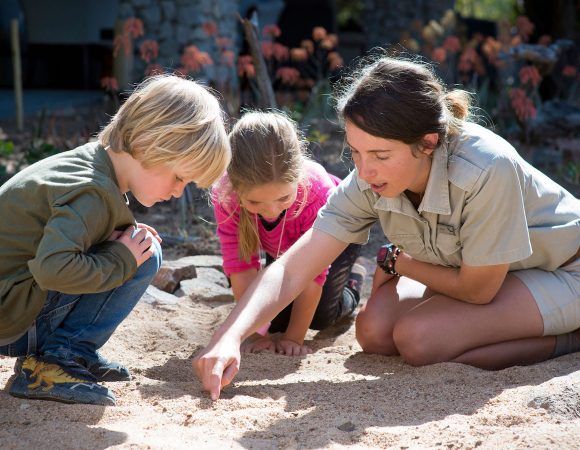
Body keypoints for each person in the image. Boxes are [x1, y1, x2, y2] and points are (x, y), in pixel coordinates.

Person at [194, 55, 580, 400]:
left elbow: (478, 291)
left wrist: (403, 266)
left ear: (427, 143)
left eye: (380, 155)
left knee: (419, 339)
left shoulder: (486, 168)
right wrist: (230, 336)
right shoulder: (372, 178)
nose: (364, 171)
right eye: (355, 152)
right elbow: (296, 265)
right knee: (375, 332)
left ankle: (568, 339)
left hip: (560, 271)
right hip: (490, 275)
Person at [0, 74, 230, 405]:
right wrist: (120, 257)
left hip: (13, 301)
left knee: (139, 247)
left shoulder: (92, 164)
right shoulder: (93, 192)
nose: (178, 191)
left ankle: (73, 351)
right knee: (141, 255)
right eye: (179, 177)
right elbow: (52, 268)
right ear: (151, 143)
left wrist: (113, 238)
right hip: (11, 319)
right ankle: (52, 362)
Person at [212, 111, 364, 356]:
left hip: (334, 242)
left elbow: (313, 274)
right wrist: (255, 335)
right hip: (281, 247)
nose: (270, 211)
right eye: (254, 202)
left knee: (320, 317)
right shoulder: (225, 194)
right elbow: (241, 267)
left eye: (283, 198)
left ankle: (353, 283)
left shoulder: (317, 190)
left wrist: (294, 338)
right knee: (276, 317)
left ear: (298, 178)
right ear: (236, 188)